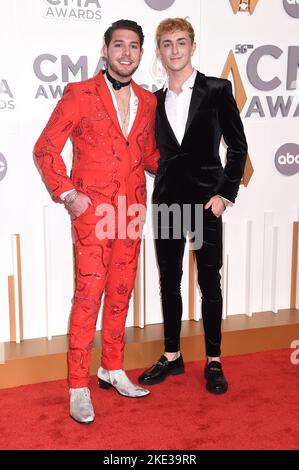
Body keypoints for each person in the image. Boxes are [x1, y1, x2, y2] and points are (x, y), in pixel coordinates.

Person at [34, 19, 159, 423]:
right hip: (93, 214)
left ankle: (113, 368)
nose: (127, 53)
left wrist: (192, 165)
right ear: (104, 50)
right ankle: (77, 385)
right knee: (88, 298)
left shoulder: (148, 100)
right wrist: (69, 195)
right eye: (119, 45)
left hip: (132, 211)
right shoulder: (80, 93)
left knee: (121, 293)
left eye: (134, 46)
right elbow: (45, 148)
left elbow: (149, 155)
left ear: (141, 53)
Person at [138, 18, 248, 394]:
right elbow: (152, 152)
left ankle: (214, 361)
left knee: (209, 282)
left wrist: (224, 195)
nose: (174, 50)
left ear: (192, 46)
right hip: (167, 200)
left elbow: (238, 147)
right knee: (169, 281)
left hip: (206, 204)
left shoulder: (217, 90)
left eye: (180, 42)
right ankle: (172, 355)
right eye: (166, 44)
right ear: (159, 50)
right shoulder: (151, 100)